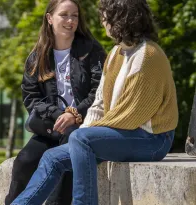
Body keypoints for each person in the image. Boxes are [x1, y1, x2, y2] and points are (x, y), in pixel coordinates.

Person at [10, 0, 179, 204]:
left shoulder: (148, 55)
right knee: (52, 157)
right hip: (124, 133)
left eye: (106, 16)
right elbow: (99, 102)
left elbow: (132, 115)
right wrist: (87, 129)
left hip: (152, 139)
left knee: (81, 138)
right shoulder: (117, 53)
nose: (102, 21)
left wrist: (84, 133)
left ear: (120, 19)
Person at [4, 0, 107, 205]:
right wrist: (56, 114)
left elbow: (100, 91)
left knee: (66, 159)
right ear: (50, 18)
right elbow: (31, 97)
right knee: (24, 161)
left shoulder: (91, 50)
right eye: (64, 15)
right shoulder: (37, 57)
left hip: (82, 126)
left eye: (75, 15)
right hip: (51, 126)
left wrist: (73, 113)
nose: (70, 20)